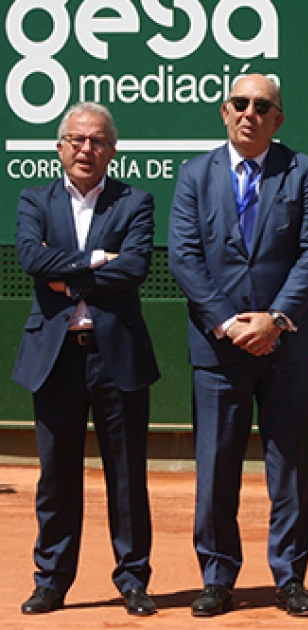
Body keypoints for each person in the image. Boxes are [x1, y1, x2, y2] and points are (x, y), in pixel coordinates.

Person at [168, 74, 308, 617]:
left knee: (290, 467)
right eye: (240, 103)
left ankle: (290, 578)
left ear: (277, 119)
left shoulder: (302, 171)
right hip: (219, 349)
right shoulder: (194, 174)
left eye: (263, 106)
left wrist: (276, 320)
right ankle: (217, 576)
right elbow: (184, 257)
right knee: (216, 466)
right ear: (224, 110)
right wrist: (228, 324)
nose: (250, 113)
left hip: (287, 346)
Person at [13, 102, 160, 617]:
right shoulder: (34, 200)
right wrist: (99, 260)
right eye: (76, 139)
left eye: (97, 141)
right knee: (56, 477)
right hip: (55, 360)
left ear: (112, 151)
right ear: (59, 148)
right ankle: (51, 581)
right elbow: (31, 258)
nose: (85, 148)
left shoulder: (135, 201)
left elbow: (137, 267)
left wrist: (69, 272)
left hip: (116, 355)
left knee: (127, 475)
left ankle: (134, 580)